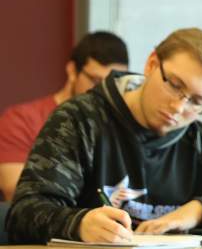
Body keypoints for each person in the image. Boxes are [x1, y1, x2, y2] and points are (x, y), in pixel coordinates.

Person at [6, 28, 202, 244]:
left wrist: (201, 210)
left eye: (197, 102)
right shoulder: (79, 120)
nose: (178, 106)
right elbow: (24, 214)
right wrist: (79, 224)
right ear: (152, 64)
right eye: (174, 85)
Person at [0, 31, 128, 201]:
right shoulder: (22, 120)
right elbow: (16, 191)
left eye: (114, 83)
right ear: (72, 71)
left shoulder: (122, 126)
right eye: (96, 81)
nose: (105, 91)